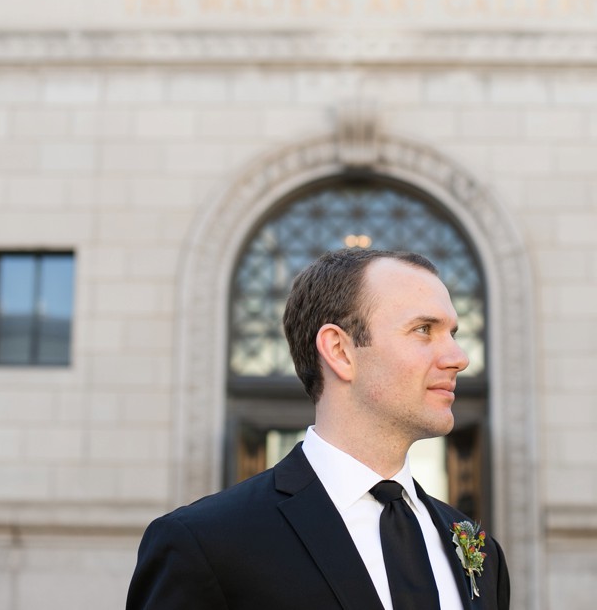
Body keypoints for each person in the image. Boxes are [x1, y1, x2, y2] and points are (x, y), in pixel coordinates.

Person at [127, 249, 510, 609]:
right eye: (424, 329)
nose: (459, 359)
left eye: (453, 334)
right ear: (339, 351)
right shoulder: (205, 544)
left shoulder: (479, 549)